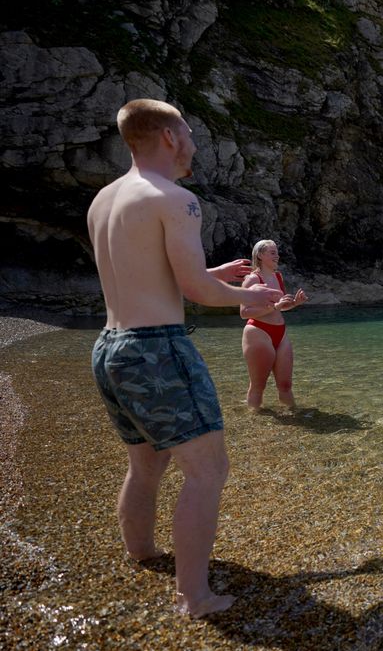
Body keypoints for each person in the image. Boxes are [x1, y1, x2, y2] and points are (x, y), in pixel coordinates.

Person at [87, 99, 282, 617]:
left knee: (145, 463)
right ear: (169, 137)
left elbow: (152, 275)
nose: (194, 143)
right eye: (189, 133)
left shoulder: (105, 200)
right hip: (157, 348)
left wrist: (217, 272)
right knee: (208, 470)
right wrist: (252, 297)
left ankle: (142, 553)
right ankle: (194, 596)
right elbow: (194, 292)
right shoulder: (178, 199)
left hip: (110, 348)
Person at [240, 239, 308, 411]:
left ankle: (297, 416)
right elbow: (244, 312)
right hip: (258, 332)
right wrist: (274, 306)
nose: (277, 256)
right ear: (260, 255)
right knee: (258, 386)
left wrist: (295, 304)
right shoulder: (252, 279)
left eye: (277, 252)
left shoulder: (278, 276)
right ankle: (253, 422)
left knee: (285, 385)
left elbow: (280, 308)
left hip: (281, 332)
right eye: (272, 252)